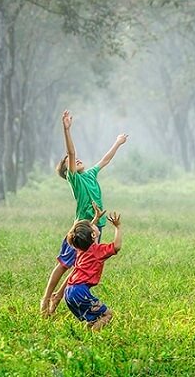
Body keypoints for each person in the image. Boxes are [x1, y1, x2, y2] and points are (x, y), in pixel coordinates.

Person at [40, 110, 128, 316]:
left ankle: (59, 296)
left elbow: (105, 160)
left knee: (82, 263)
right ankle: (46, 298)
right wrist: (66, 129)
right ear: (66, 170)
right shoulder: (75, 179)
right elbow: (71, 153)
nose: (76, 159)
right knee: (64, 264)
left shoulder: (90, 174)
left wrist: (117, 142)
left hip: (96, 227)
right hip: (81, 229)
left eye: (76, 159)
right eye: (69, 161)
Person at [64, 202, 122, 331]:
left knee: (94, 318)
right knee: (107, 314)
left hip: (69, 292)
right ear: (93, 235)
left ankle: (87, 334)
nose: (93, 225)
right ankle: (93, 338)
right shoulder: (98, 251)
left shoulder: (80, 248)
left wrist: (96, 218)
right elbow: (116, 246)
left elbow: (87, 232)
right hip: (79, 292)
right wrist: (118, 227)